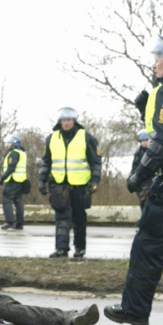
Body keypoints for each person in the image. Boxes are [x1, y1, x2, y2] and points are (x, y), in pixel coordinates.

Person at [105, 31, 163, 325]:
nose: (154, 64)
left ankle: (134, 310)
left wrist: (139, 176)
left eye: (158, 57)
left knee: (148, 244)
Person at [38, 107, 102, 259]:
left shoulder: (86, 137)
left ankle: (80, 249)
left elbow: (96, 162)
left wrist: (95, 181)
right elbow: (46, 162)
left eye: (69, 120)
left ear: (74, 121)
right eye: (64, 120)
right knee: (61, 218)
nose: (66, 123)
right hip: (60, 186)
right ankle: (61, 249)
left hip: (81, 186)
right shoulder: (52, 138)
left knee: (79, 218)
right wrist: (42, 180)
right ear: (60, 121)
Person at [0, 135, 27, 230]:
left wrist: (2, 178)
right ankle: (19, 223)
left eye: (9, 143)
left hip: (12, 180)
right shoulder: (22, 153)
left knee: (6, 198)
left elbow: (11, 168)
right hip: (20, 181)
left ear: (14, 144)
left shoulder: (13, 153)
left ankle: (9, 221)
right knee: (18, 201)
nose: (8, 145)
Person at [128, 129, 153, 212]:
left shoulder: (153, 152)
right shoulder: (138, 154)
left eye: (146, 140)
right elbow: (134, 166)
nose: (145, 142)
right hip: (141, 181)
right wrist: (131, 178)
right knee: (143, 203)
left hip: (151, 180)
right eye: (143, 141)